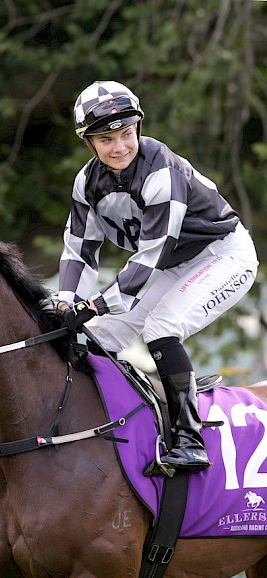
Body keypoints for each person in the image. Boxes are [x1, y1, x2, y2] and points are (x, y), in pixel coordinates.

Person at [54, 80, 258, 476]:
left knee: (162, 328)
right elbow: (80, 249)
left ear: (139, 129)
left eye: (127, 134)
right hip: (170, 265)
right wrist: (65, 300)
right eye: (106, 138)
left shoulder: (160, 169)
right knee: (99, 338)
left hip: (223, 256)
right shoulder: (86, 183)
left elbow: (150, 257)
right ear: (88, 143)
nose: (119, 147)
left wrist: (93, 304)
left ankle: (188, 440)